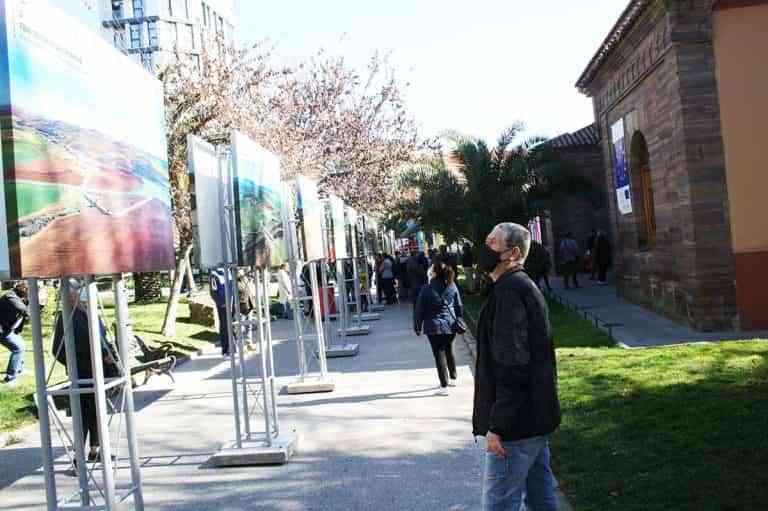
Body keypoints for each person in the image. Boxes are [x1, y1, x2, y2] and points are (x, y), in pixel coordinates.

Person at [473, 223, 561, 510]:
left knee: (499, 503)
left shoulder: (510, 292)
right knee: (540, 496)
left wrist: (497, 426)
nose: (485, 246)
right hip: (534, 417)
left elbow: (513, 365)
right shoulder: (517, 286)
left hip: (517, 426)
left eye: (492, 242)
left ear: (512, 253)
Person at [52, 280, 121, 468]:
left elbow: (102, 339)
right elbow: (57, 350)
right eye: (76, 290)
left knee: (98, 412)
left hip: (101, 372)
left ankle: (95, 451)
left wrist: (108, 356)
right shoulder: (66, 317)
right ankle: (78, 458)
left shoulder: (90, 312)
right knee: (83, 415)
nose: (80, 293)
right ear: (69, 295)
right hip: (82, 374)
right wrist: (77, 365)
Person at [414, 259, 463, 396]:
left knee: (438, 355)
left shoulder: (426, 288)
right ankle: (453, 377)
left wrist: (417, 326)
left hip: (433, 326)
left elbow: (419, 309)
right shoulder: (452, 286)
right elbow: (459, 305)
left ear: (434, 272)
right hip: (451, 324)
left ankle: (444, 386)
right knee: (449, 350)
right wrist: (459, 319)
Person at [0, 282, 29, 385]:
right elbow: (24, 310)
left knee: (22, 346)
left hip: (7, 328)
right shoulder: (10, 296)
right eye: (28, 292)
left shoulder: (17, 297)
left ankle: (19, 369)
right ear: (23, 290)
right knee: (18, 348)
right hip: (2, 329)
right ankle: (10, 377)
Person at [209, 268, 232, 356]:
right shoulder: (214, 274)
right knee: (225, 326)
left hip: (232, 303)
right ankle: (225, 349)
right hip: (223, 305)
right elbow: (213, 291)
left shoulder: (229, 271)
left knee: (232, 325)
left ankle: (232, 346)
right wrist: (221, 302)